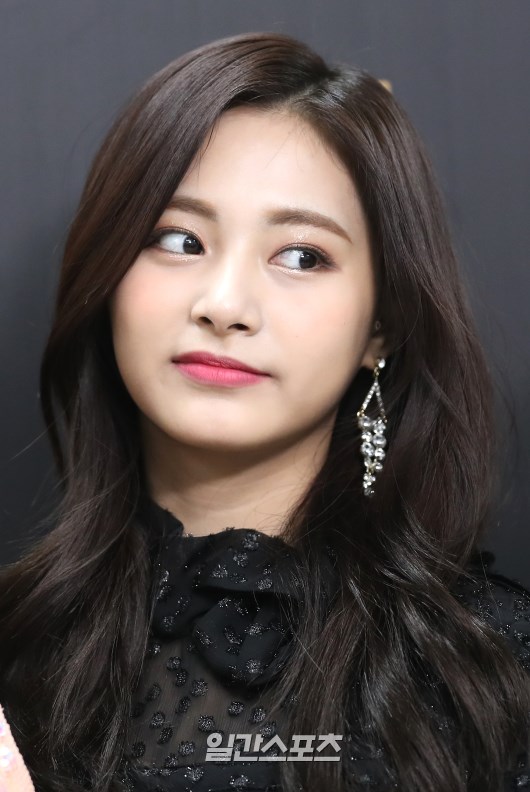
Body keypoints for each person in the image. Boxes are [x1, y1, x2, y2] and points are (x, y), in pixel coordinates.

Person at [0, 30, 529, 792]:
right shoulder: (18, 646)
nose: (224, 305)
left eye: (302, 256)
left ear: (379, 327)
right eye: (178, 239)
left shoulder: (488, 673)